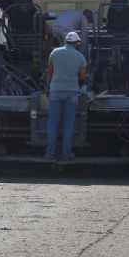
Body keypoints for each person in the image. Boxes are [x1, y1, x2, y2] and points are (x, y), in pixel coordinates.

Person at [45, 31, 87, 161]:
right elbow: (82, 77)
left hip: (55, 91)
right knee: (68, 125)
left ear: (65, 41)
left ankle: (50, 154)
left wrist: (48, 87)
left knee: (53, 124)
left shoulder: (54, 53)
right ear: (77, 43)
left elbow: (50, 73)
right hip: (72, 93)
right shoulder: (81, 57)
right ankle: (66, 154)